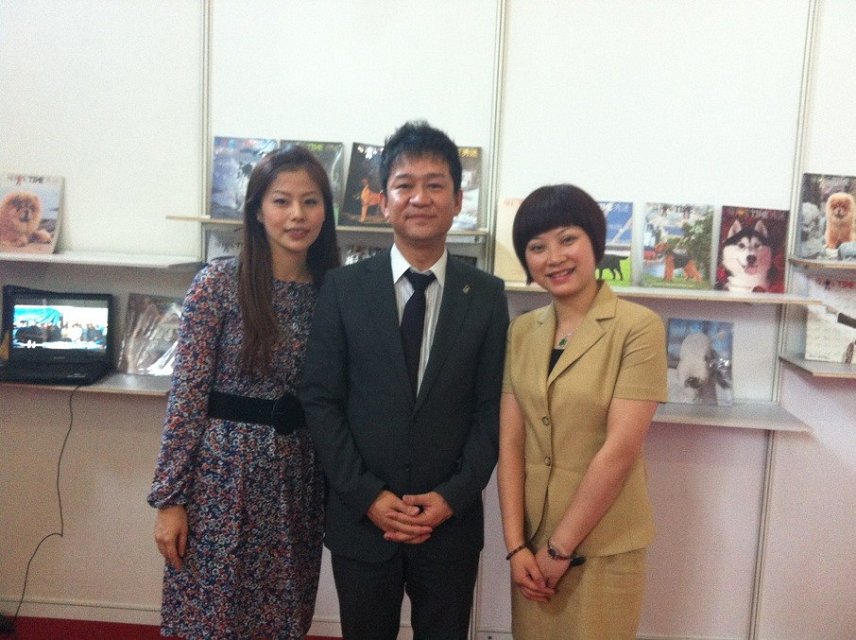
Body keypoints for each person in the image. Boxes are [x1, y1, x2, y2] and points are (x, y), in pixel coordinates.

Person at [300, 120, 509, 640]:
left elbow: (492, 410)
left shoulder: (486, 295)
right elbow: (320, 400)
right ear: (383, 201)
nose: (420, 198)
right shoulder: (343, 289)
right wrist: (367, 496)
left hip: (450, 527)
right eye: (404, 185)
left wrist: (452, 497)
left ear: (457, 201)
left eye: (435, 185)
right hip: (362, 522)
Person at [148, 146, 339, 640]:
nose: (297, 215)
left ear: (326, 211)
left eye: (311, 201)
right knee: (213, 618)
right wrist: (170, 499)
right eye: (282, 201)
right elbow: (186, 397)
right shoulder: (217, 284)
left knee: (282, 619)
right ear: (257, 210)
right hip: (221, 478)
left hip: (298, 478)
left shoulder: (335, 292)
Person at [497, 184, 667, 639]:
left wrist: (560, 549)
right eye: (537, 247)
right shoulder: (521, 331)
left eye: (567, 239)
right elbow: (511, 444)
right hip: (532, 547)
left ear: (595, 242)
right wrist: (515, 546)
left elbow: (620, 450)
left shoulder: (639, 327)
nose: (554, 257)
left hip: (603, 544)